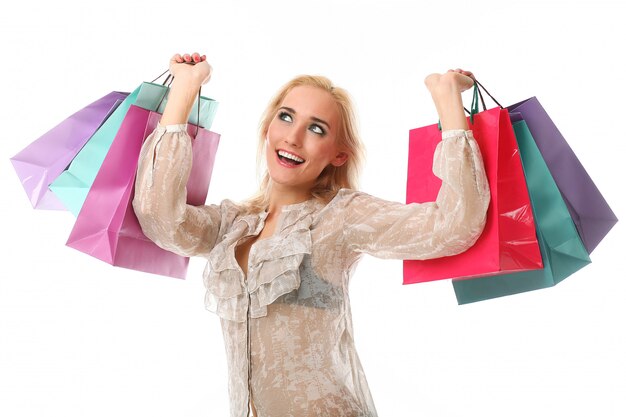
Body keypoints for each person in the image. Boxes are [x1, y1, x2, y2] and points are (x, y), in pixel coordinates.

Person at [133, 52, 490, 417]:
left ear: (338, 155)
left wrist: (448, 102)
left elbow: (454, 226)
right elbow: (160, 218)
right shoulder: (234, 224)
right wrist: (186, 88)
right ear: (267, 128)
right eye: (286, 117)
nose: (293, 137)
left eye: (316, 128)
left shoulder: (342, 217)